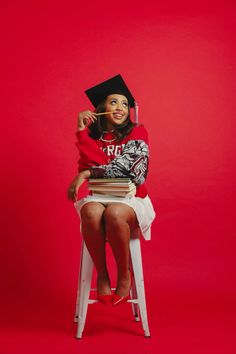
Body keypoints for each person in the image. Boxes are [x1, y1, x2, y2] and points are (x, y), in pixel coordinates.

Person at [68, 74, 155, 306]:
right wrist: (81, 133)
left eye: (125, 104)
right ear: (101, 108)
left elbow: (130, 171)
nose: (120, 108)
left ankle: (124, 274)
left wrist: (87, 174)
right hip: (99, 196)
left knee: (114, 213)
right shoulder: (92, 137)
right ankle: (103, 274)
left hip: (131, 198)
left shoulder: (138, 132)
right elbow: (89, 163)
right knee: (91, 212)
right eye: (113, 102)